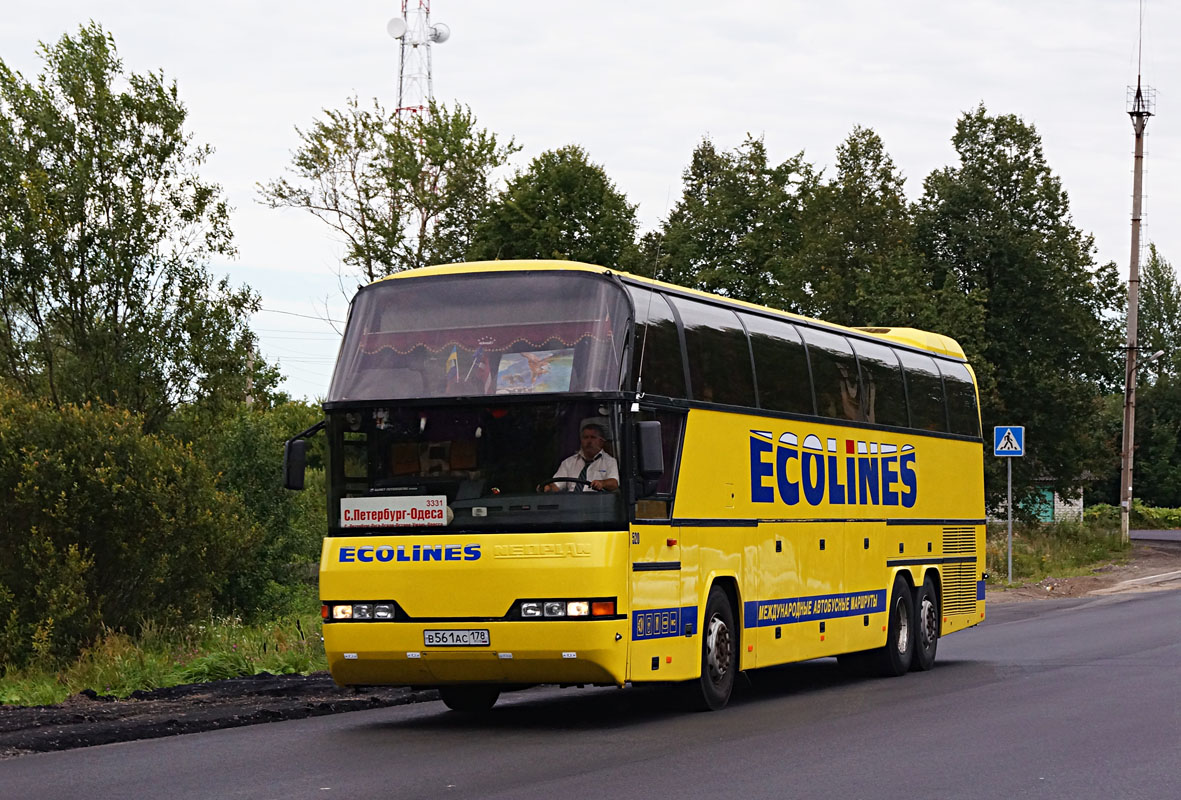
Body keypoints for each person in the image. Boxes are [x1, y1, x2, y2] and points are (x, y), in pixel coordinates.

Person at [543, 423, 619, 492]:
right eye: (585, 437)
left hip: (596, 504)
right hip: (571, 503)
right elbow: (557, 485)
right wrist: (548, 488)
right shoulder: (568, 462)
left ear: (601, 442)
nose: (589, 441)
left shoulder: (609, 461)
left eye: (593, 437)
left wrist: (602, 483)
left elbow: (614, 483)